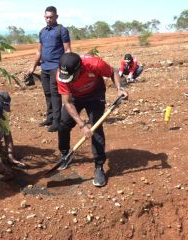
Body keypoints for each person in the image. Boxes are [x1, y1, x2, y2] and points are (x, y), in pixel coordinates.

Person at [56, 52, 128, 187]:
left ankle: (99, 166)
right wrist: (82, 124)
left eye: (71, 77)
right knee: (63, 124)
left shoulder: (95, 64)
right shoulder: (61, 75)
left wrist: (119, 88)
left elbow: (113, 72)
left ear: (80, 69)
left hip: (95, 94)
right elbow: (67, 102)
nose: (69, 81)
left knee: (96, 127)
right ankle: (65, 154)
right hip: (75, 98)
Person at [26, 6, 71, 132]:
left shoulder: (62, 30)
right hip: (44, 67)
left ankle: (57, 121)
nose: (48, 19)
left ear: (56, 16)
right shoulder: (42, 31)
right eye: (46, 17)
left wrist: (66, 67)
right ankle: (50, 118)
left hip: (56, 67)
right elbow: (39, 51)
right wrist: (32, 67)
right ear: (44, 17)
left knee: (55, 94)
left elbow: (67, 50)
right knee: (47, 93)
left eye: (51, 17)